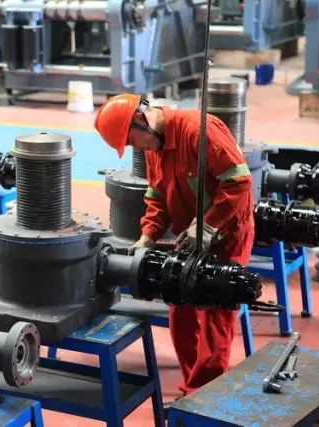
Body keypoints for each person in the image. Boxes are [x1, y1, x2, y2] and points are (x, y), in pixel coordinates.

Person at [94, 94, 255, 395]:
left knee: (214, 317)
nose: (135, 148)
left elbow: (239, 182)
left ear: (141, 120)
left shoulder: (198, 131)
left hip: (226, 236)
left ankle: (204, 396)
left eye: (131, 141)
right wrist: (148, 235)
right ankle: (192, 387)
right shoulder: (154, 148)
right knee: (180, 313)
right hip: (190, 238)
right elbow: (157, 197)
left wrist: (208, 225)